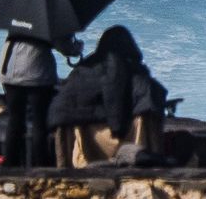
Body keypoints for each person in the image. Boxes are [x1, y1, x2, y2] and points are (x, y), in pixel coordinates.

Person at [51, 25, 165, 166]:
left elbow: (61, 108)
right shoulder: (139, 75)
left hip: (90, 144)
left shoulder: (82, 72)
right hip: (133, 139)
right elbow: (152, 102)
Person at [0, 25, 69, 168]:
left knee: (15, 120)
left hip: (9, 68)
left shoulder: (17, 12)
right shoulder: (48, 16)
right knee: (39, 122)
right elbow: (64, 46)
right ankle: (41, 167)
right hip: (36, 73)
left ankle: (9, 166)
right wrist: (76, 48)